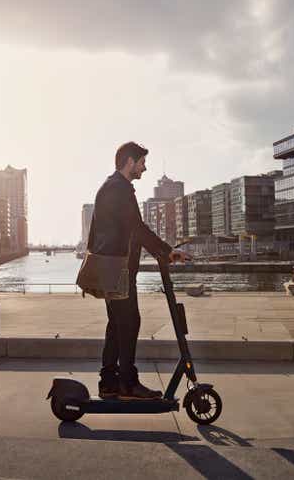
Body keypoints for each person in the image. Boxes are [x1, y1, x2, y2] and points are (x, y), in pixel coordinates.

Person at [88, 142, 188, 400]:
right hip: (117, 268)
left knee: (117, 324)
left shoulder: (110, 188)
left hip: (111, 267)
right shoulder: (118, 190)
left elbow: (101, 231)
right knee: (129, 322)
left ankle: (109, 383)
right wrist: (167, 251)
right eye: (142, 162)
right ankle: (128, 384)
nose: (145, 167)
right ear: (130, 161)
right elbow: (137, 228)